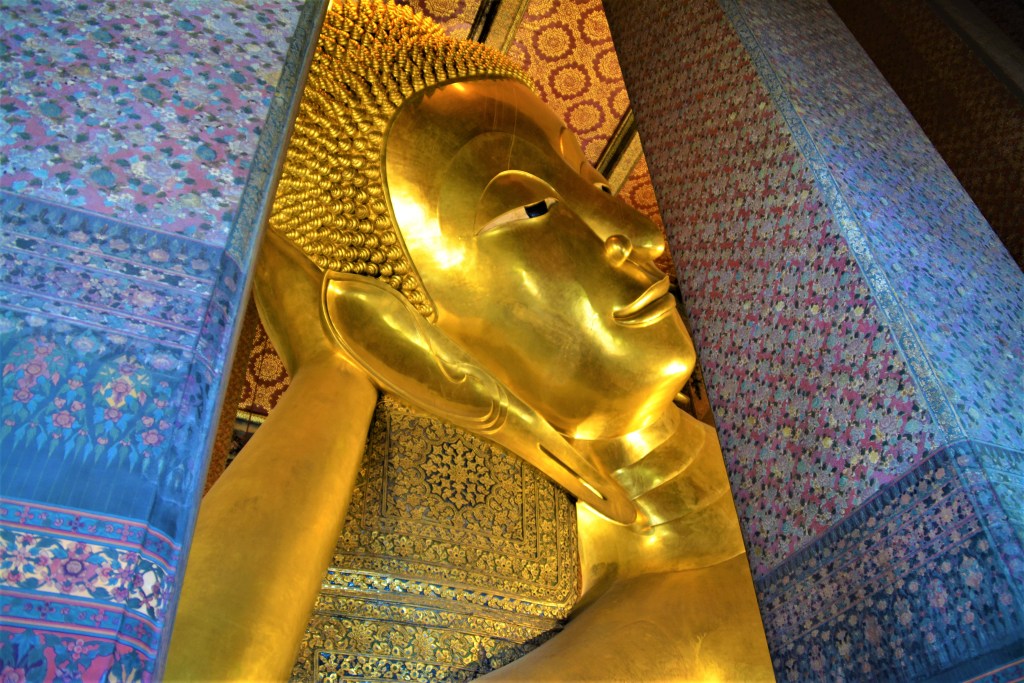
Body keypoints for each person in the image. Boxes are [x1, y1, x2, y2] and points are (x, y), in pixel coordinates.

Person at [166, 2, 773, 680]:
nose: (642, 235)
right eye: (531, 208)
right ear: (389, 328)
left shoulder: (777, 442)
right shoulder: (433, 504)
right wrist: (331, 373)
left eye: (594, 180)